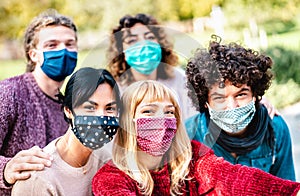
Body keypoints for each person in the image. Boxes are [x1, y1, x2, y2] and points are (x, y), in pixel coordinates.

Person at [92, 80, 300, 195]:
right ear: (128, 121)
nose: (162, 120)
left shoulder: (191, 158)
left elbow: (233, 177)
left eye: (169, 112)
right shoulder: (110, 179)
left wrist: (291, 191)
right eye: (148, 112)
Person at [185, 36, 295, 181]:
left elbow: (287, 187)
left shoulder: (275, 128)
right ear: (206, 102)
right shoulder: (190, 133)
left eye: (241, 95)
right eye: (219, 98)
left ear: (255, 94)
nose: (232, 106)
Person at [0, 9, 78, 195]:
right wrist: (5, 169)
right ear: (34, 54)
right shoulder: (9, 94)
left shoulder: (70, 106)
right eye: (52, 45)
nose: (63, 51)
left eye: (70, 44)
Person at [12, 67, 120, 195]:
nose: (101, 117)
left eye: (109, 108)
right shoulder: (38, 179)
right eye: (90, 107)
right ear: (68, 110)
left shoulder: (107, 162)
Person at [106, 13, 197, 120]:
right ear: (121, 52)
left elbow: (193, 122)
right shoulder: (115, 91)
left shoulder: (180, 79)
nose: (143, 44)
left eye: (149, 37)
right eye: (132, 40)